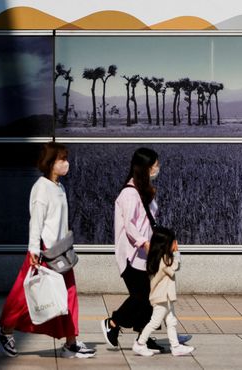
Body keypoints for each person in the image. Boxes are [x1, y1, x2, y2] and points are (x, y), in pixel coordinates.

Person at [0, 143, 96, 359]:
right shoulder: (41, 188)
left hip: (60, 252)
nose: (66, 163)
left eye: (66, 158)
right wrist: (33, 250)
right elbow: (36, 222)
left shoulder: (59, 186)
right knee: (25, 297)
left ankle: (71, 342)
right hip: (44, 253)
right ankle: (4, 331)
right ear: (50, 163)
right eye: (61, 159)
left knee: (69, 295)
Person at [101, 148, 190, 352]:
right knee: (141, 297)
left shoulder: (142, 190)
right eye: (154, 165)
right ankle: (113, 323)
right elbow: (129, 225)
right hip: (133, 256)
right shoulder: (129, 193)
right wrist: (144, 242)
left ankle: (144, 337)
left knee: (150, 297)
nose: (157, 168)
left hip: (146, 255)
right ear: (144, 168)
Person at [133, 227, 194, 357]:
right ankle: (139, 344)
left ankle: (175, 346)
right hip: (161, 297)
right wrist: (177, 252)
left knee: (171, 321)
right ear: (165, 244)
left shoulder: (157, 258)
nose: (175, 244)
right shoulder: (164, 259)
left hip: (165, 297)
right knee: (155, 322)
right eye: (173, 242)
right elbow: (175, 267)